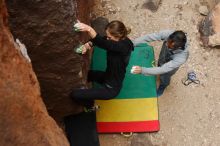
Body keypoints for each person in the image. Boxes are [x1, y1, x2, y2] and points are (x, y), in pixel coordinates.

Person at [70, 20, 134, 110]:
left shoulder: (123, 47)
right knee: (89, 74)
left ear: (118, 36)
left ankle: (91, 106)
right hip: (108, 76)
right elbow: (103, 40)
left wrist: (89, 29)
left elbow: (104, 43)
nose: (107, 38)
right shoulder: (118, 39)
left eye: (109, 37)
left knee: (75, 94)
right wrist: (88, 44)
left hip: (111, 89)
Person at [132, 30, 189, 96]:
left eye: (170, 46)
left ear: (178, 47)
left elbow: (163, 69)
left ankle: (163, 86)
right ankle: (159, 69)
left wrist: (143, 70)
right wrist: (133, 43)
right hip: (164, 56)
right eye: (167, 42)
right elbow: (149, 37)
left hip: (170, 67)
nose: (166, 44)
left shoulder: (181, 57)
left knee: (165, 76)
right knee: (160, 62)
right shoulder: (169, 34)